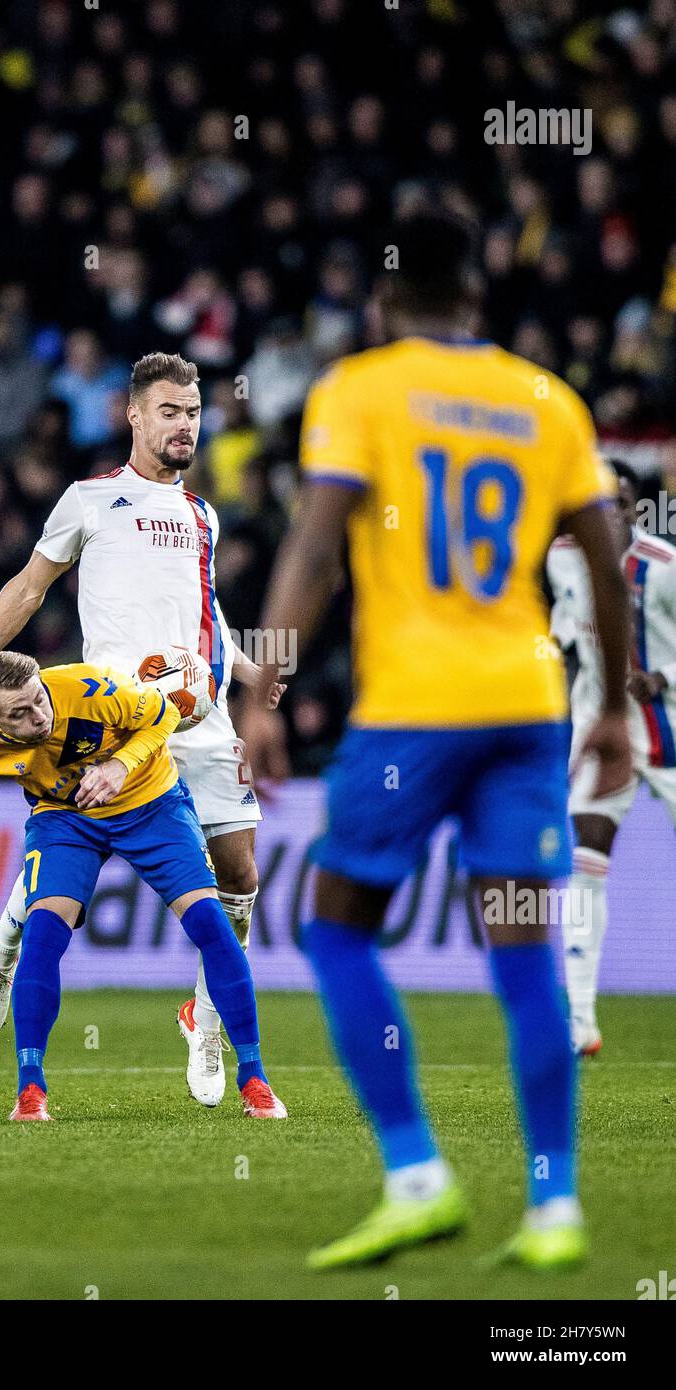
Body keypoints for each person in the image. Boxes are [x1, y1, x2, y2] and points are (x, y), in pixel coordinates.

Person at [240, 211, 632, 1271]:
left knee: (333, 926)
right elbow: (605, 554)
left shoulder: (360, 388)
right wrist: (610, 702)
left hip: (413, 712)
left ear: (385, 299)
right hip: (524, 709)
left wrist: (264, 686)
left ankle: (415, 1176)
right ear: (474, 293)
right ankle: (553, 1208)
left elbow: (316, 545)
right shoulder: (546, 401)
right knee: (520, 956)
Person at [0, 352, 285, 1109]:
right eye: (170, 412)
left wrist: (248, 674)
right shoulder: (88, 501)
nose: (185, 425)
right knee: (68, 867)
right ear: (135, 417)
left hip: (199, 718)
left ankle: (203, 1019)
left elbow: (204, 624)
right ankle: (4, 944)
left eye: (193, 412)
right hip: (111, 722)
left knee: (240, 876)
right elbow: (27, 585)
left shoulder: (204, 517)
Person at [0, 650, 287, 1122]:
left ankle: (255, 1080)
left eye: (38, 702)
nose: (38, 718)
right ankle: (30, 1092)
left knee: (212, 924)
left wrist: (119, 767)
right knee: (44, 936)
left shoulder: (94, 689)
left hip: (150, 804)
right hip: (66, 819)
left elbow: (164, 714)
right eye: (19, 715)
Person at [548, 460, 676, 1055]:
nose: (607, 517)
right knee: (584, 857)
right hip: (602, 737)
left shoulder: (665, 568)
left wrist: (664, 676)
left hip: (667, 733)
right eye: (594, 506)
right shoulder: (561, 559)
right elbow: (561, 639)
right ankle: (579, 1019)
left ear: (635, 509)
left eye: (617, 505)